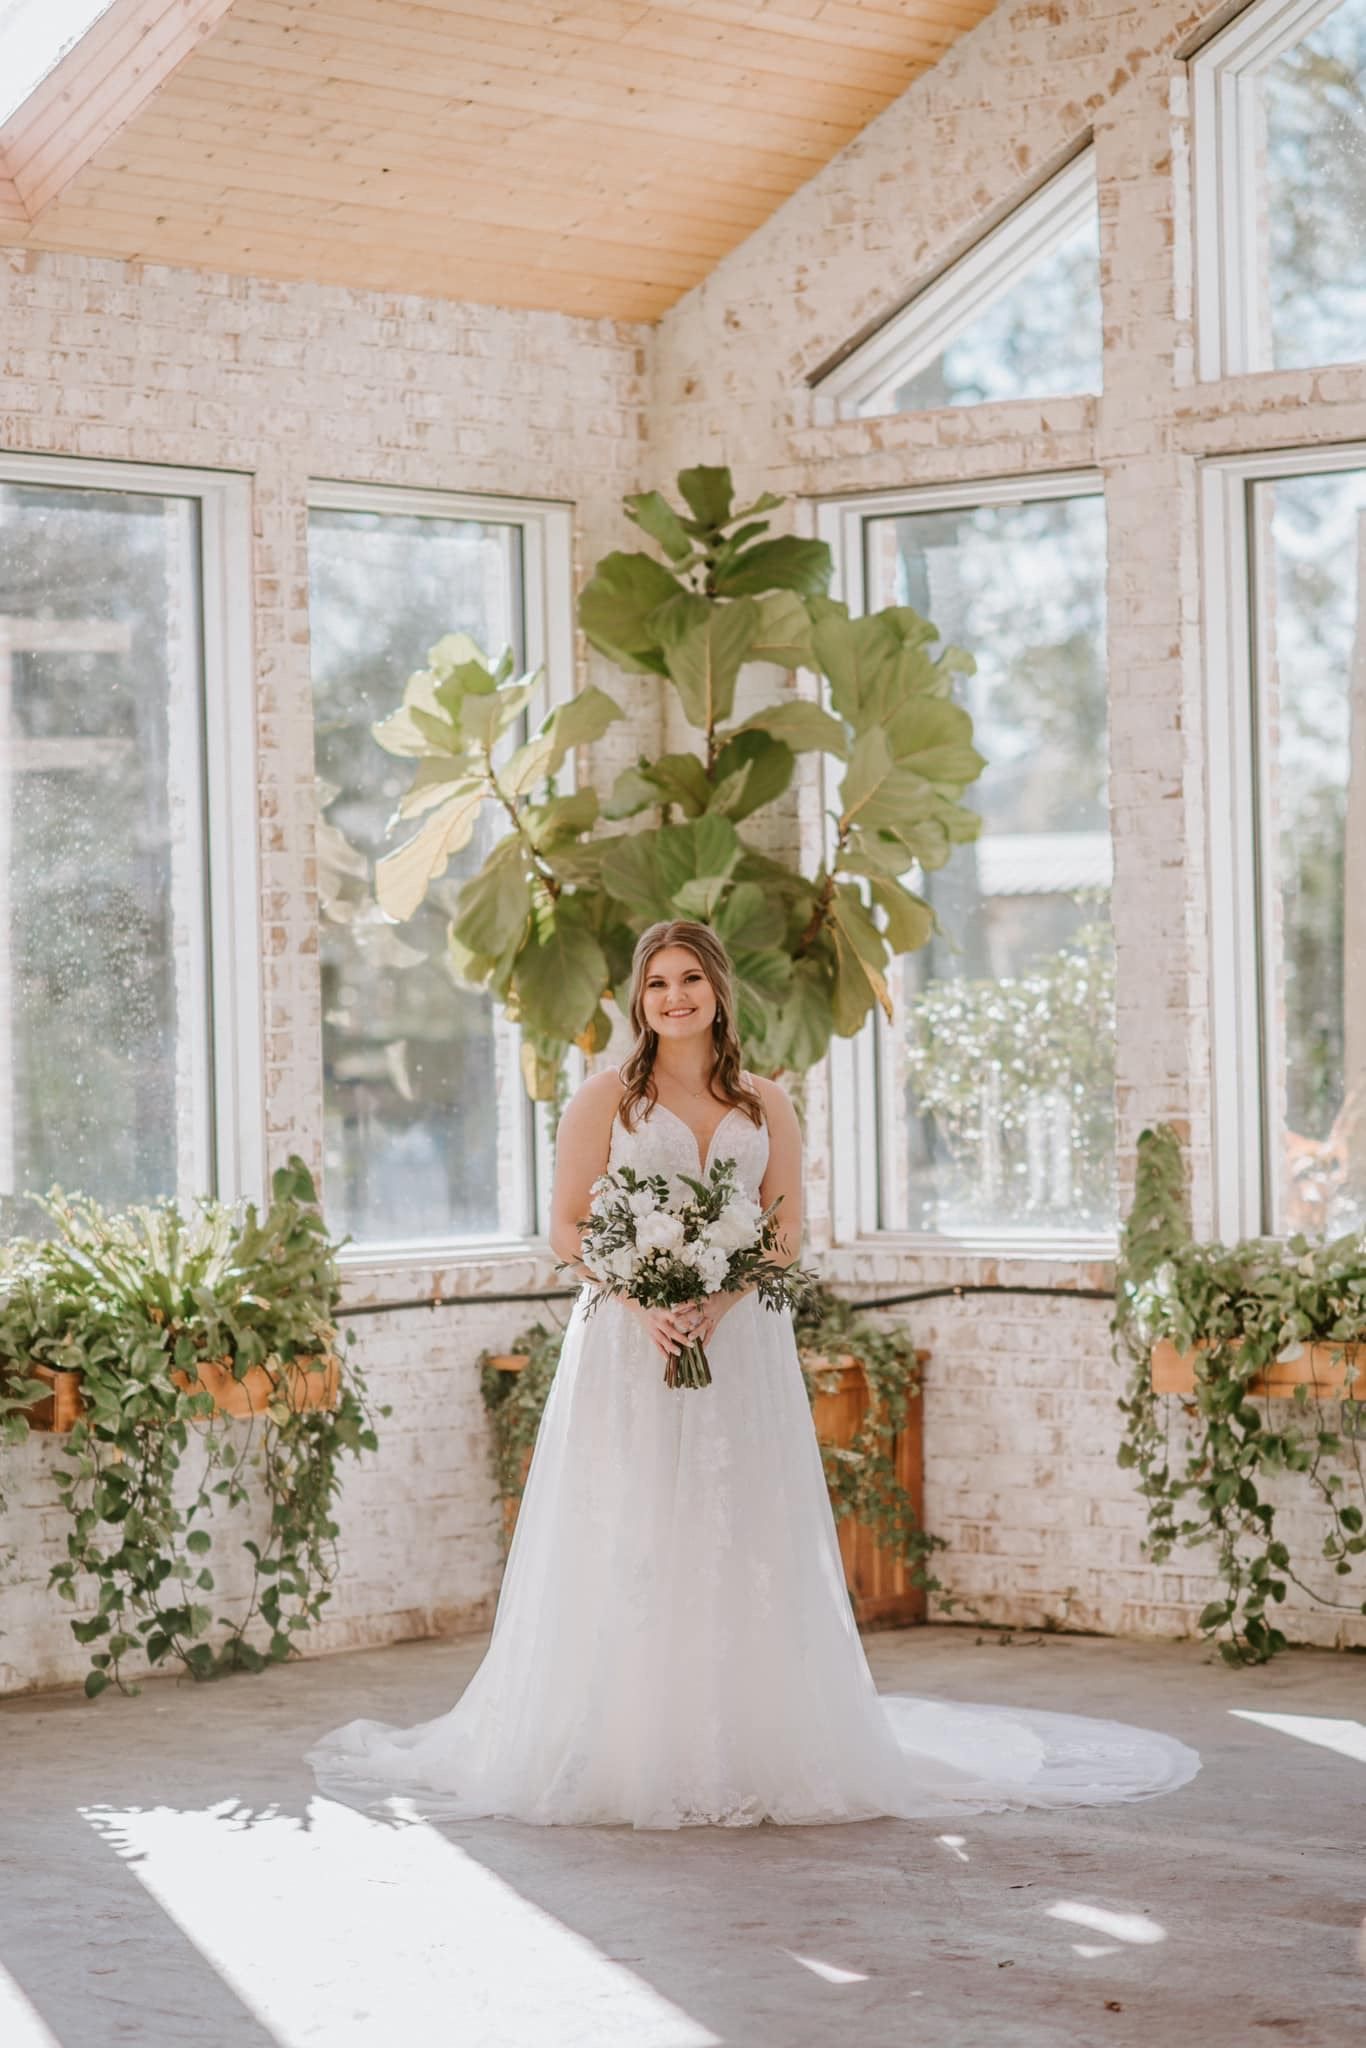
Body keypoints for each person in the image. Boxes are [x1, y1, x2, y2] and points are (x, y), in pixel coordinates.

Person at [307, 919, 1199, 1827]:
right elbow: (567, 1229)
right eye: (657, 984)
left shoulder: (767, 1103)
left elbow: (782, 1235)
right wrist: (647, 1301)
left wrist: (718, 1302)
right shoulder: (606, 1100)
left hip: (741, 1344)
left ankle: (748, 1737)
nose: (674, 998)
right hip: (628, 1343)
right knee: (635, 1524)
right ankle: (620, 1739)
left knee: (742, 1528)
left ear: (718, 990)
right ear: (637, 999)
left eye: (690, 979)